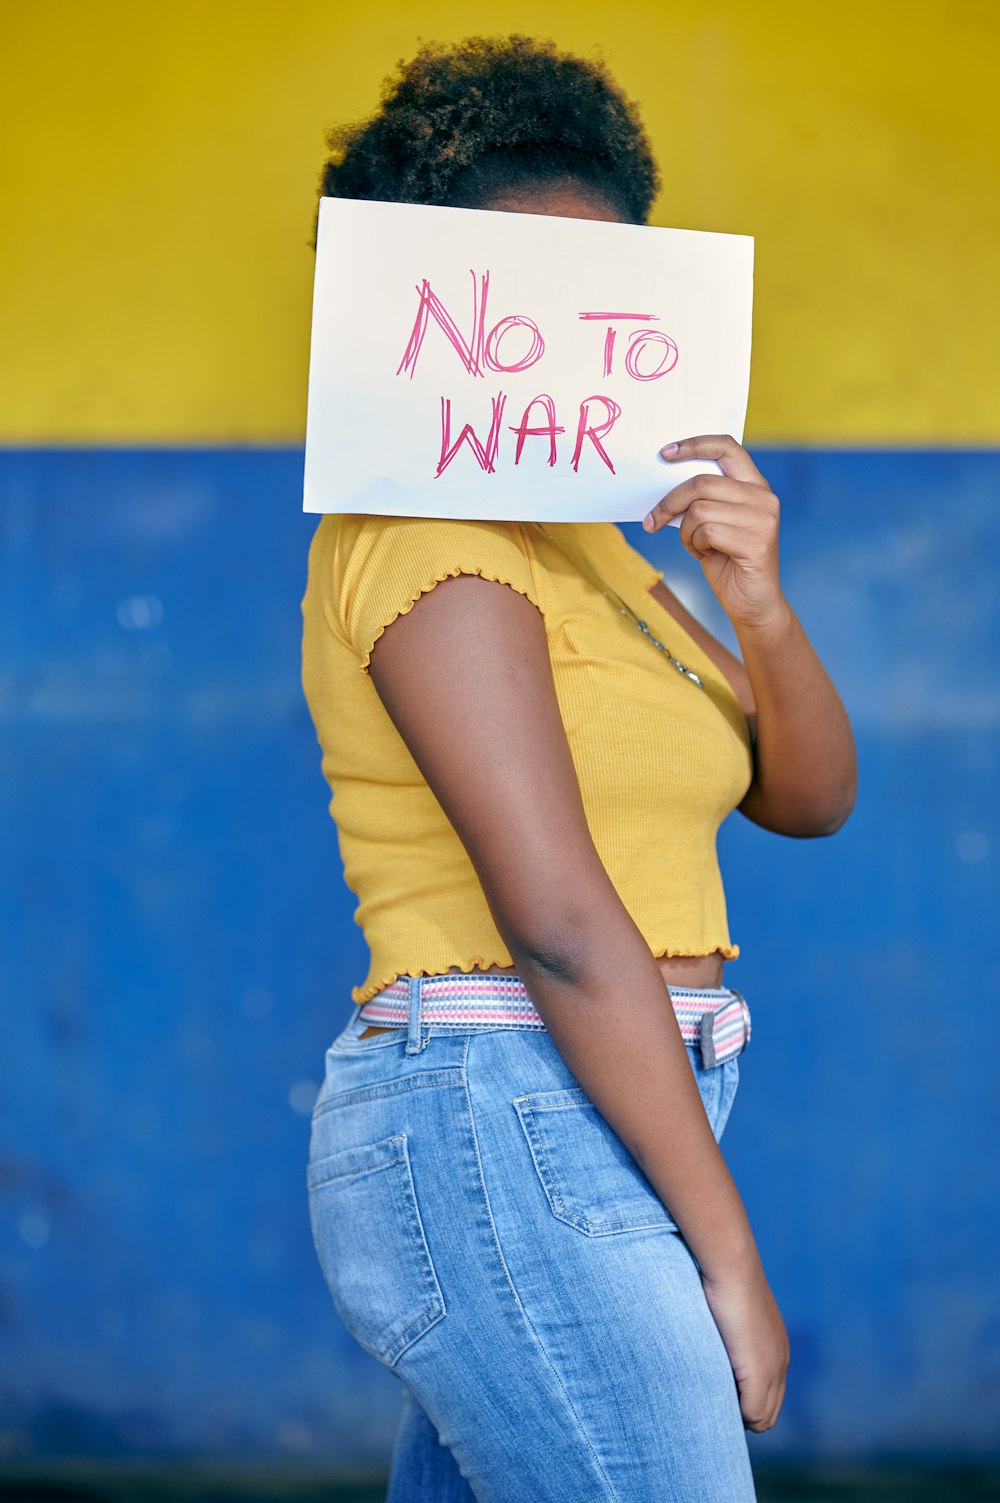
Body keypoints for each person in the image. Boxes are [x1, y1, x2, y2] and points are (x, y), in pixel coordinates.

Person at [300, 35, 856, 1503]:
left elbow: (805, 798)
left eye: (596, 294)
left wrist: (759, 600)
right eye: (507, 303)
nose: (552, 337)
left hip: (586, 1110)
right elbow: (553, 911)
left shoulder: (608, 548)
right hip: (500, 1104)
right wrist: (725, 1258)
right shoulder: (428, 535)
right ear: (423, 315)